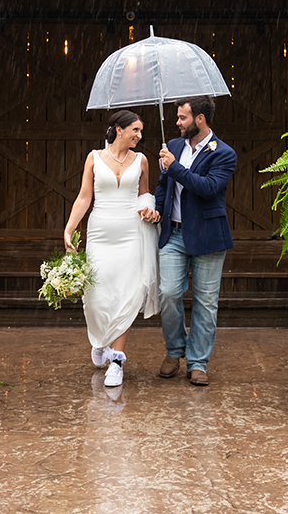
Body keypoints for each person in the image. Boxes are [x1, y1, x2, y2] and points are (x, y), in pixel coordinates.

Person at [63, 110, 161, 388]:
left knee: (128, 294)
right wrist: (69, 228)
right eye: (135, 130)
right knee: (96, 294)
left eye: (141, 131)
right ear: (119, 130)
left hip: (131, 234)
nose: (139, 136)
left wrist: (150, 209)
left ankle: (116, 361)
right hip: (100, 233)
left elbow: (144, 195)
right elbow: (84, 197)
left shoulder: (141, 160)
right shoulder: (94, 157)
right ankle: (100, 341)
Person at [154, 96, 236, 387]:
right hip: (173, 234)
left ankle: (198, 362)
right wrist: (157, 209)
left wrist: (175, 167)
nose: (177, 122)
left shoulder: (223, 153)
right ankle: (175, 349)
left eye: (183, 118)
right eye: (177, 117)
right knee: (168, 293)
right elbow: (163, 185)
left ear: (200, 119)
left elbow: (209, 188)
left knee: (206, 302)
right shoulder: (174, 146)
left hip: (208, 236)